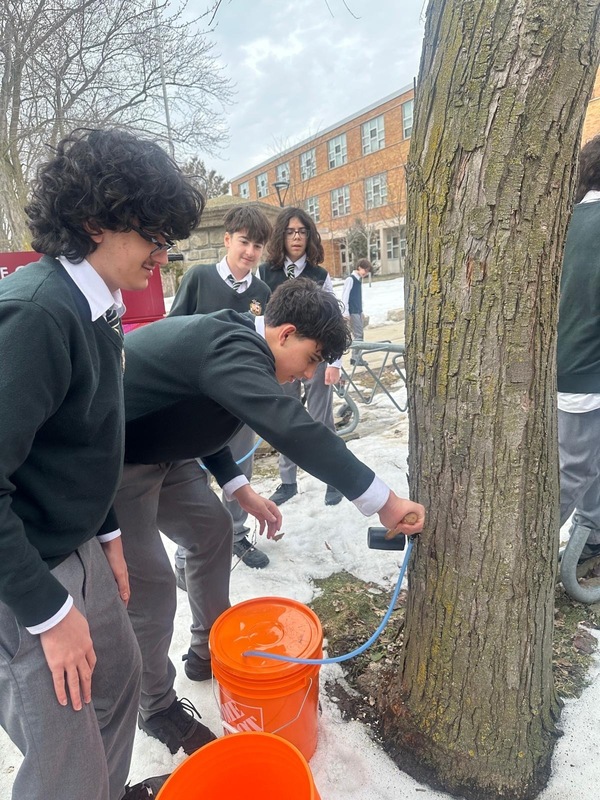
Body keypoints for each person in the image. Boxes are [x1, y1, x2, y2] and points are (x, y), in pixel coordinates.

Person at [115, 279, 424, 760]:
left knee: (213, 531)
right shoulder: (232, 345)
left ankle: (208, 650)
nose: (309, 373)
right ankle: (155, 705)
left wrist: (240, 487)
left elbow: (192, 413)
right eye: (312, 357)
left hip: (166, 454)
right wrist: (382, 501)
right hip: (119, 457)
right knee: (150, 587)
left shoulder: (242, 350)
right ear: (285, 334)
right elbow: (290, 426)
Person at [0, 128, 204, 800]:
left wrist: (110, 536)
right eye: (152, 232)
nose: (162, 251)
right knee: (65, 766)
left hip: (82, 545)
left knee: (117, 688)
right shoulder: (36, 315)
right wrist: (49, 616)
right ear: (94, 221)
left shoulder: (99, 307)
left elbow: (85, 442)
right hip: (24, 574)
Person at [169, 204, 273, 569]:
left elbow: (264, 345)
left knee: (240, 468)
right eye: (244, 241)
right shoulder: (198, 278)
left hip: (238, 402)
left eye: (258, 246)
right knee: (194, 471)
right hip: (196, 401)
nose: (250, 252)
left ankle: (237, 535)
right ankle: (189, 546)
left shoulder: (262, 291)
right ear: (228, 239)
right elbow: (173, 332)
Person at [259, 207, 344, 507]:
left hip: (317, 357)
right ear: (281, 235)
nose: (296, 237)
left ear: (309, 235)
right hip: (281, 358)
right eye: (290, 231)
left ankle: (333, 477)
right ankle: (288, 481)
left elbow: (337, 320)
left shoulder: (320, 275)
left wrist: (334, 363)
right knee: (284, 416)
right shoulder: (265, 274)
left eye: (302, 231)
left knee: (322, 417)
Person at [557, 134, 600, 563]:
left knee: (587, 462)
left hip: (566, 362)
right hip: (587, 369)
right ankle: (523, 552)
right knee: (576, 467)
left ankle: (592, 534)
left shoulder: (568, 218)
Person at [341, 257, 373, 366]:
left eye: (367, 271)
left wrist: (361, 311)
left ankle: (356, 358)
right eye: (365, 270)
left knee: (359, 334)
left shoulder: (359, 280)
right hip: (352, 311)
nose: (366, 272)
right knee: (358, 335)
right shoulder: (351, 279)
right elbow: (345, 297)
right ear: (359, 267)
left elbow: (358, 297)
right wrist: (345, 313)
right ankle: (355, 358)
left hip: (357, 311)